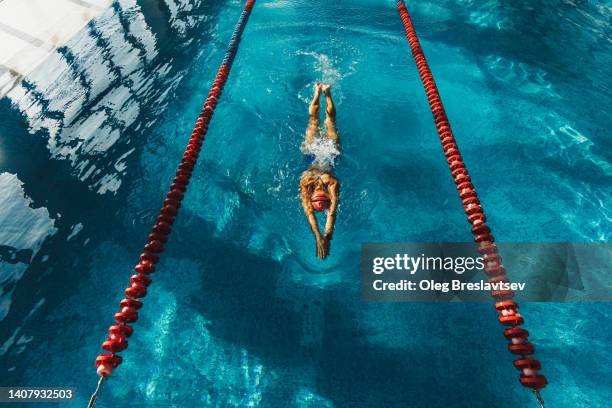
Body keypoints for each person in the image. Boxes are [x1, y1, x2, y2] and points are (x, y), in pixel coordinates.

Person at [299, 83, 340, 260]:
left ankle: (326, 93)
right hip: (311, 153)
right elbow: (312, 212)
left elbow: (331, 212)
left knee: (329, 121)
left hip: (331, 153)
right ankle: (320, 93)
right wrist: (321, 237)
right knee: (314, 120)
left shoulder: (331, 183)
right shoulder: (307, 182)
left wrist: (324, 237)